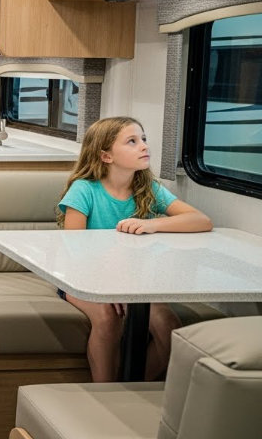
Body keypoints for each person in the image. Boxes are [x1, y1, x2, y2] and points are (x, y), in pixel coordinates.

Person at [58, 116, 212, 382]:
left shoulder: (149, 189)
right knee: (108, 317)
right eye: (132, 141)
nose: (144, 146)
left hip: (135, 283)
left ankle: (128, 389)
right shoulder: (84, 190)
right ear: (106, 156)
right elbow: (74, 249)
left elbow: (201, 220)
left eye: (143, 139)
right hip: (82, 279)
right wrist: (107, 284)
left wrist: (152, 225)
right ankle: (103, 392)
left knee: (169, 326)